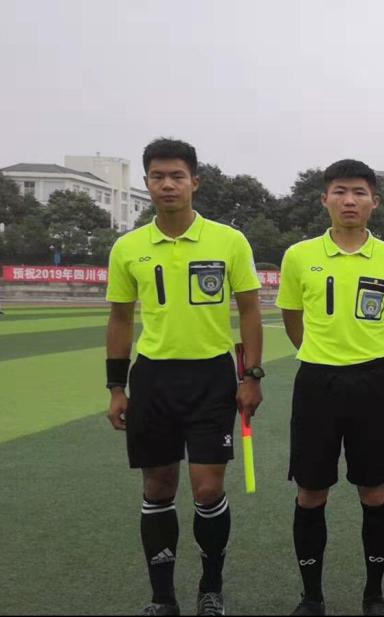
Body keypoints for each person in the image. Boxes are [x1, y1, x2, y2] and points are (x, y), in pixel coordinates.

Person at [105, 138, 264, 616]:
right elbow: (120, 318)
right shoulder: (128, 247)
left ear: (195, 181)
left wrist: (251, 376)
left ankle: (210, 589)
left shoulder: (228, 240)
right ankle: (162, 598)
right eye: (158, 177)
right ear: (147, 183)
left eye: (177, 176)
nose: (168, 185)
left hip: (211, 377)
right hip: (153, 379)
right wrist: (116, 387)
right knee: (157, 488)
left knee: (208, 489)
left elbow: (250, 310)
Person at [276, 159, 384, 616]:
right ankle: (311, 597)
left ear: (375, 201)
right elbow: (291, 317)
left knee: (374, 490)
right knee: (311, 492)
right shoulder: (299, 256)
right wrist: (321, 354)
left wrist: (376, 359)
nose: (349, 200)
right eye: (340, 191)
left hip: (371, 384)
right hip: (316, 384)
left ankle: (374, 594)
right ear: (325, 199)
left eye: (359, 192)